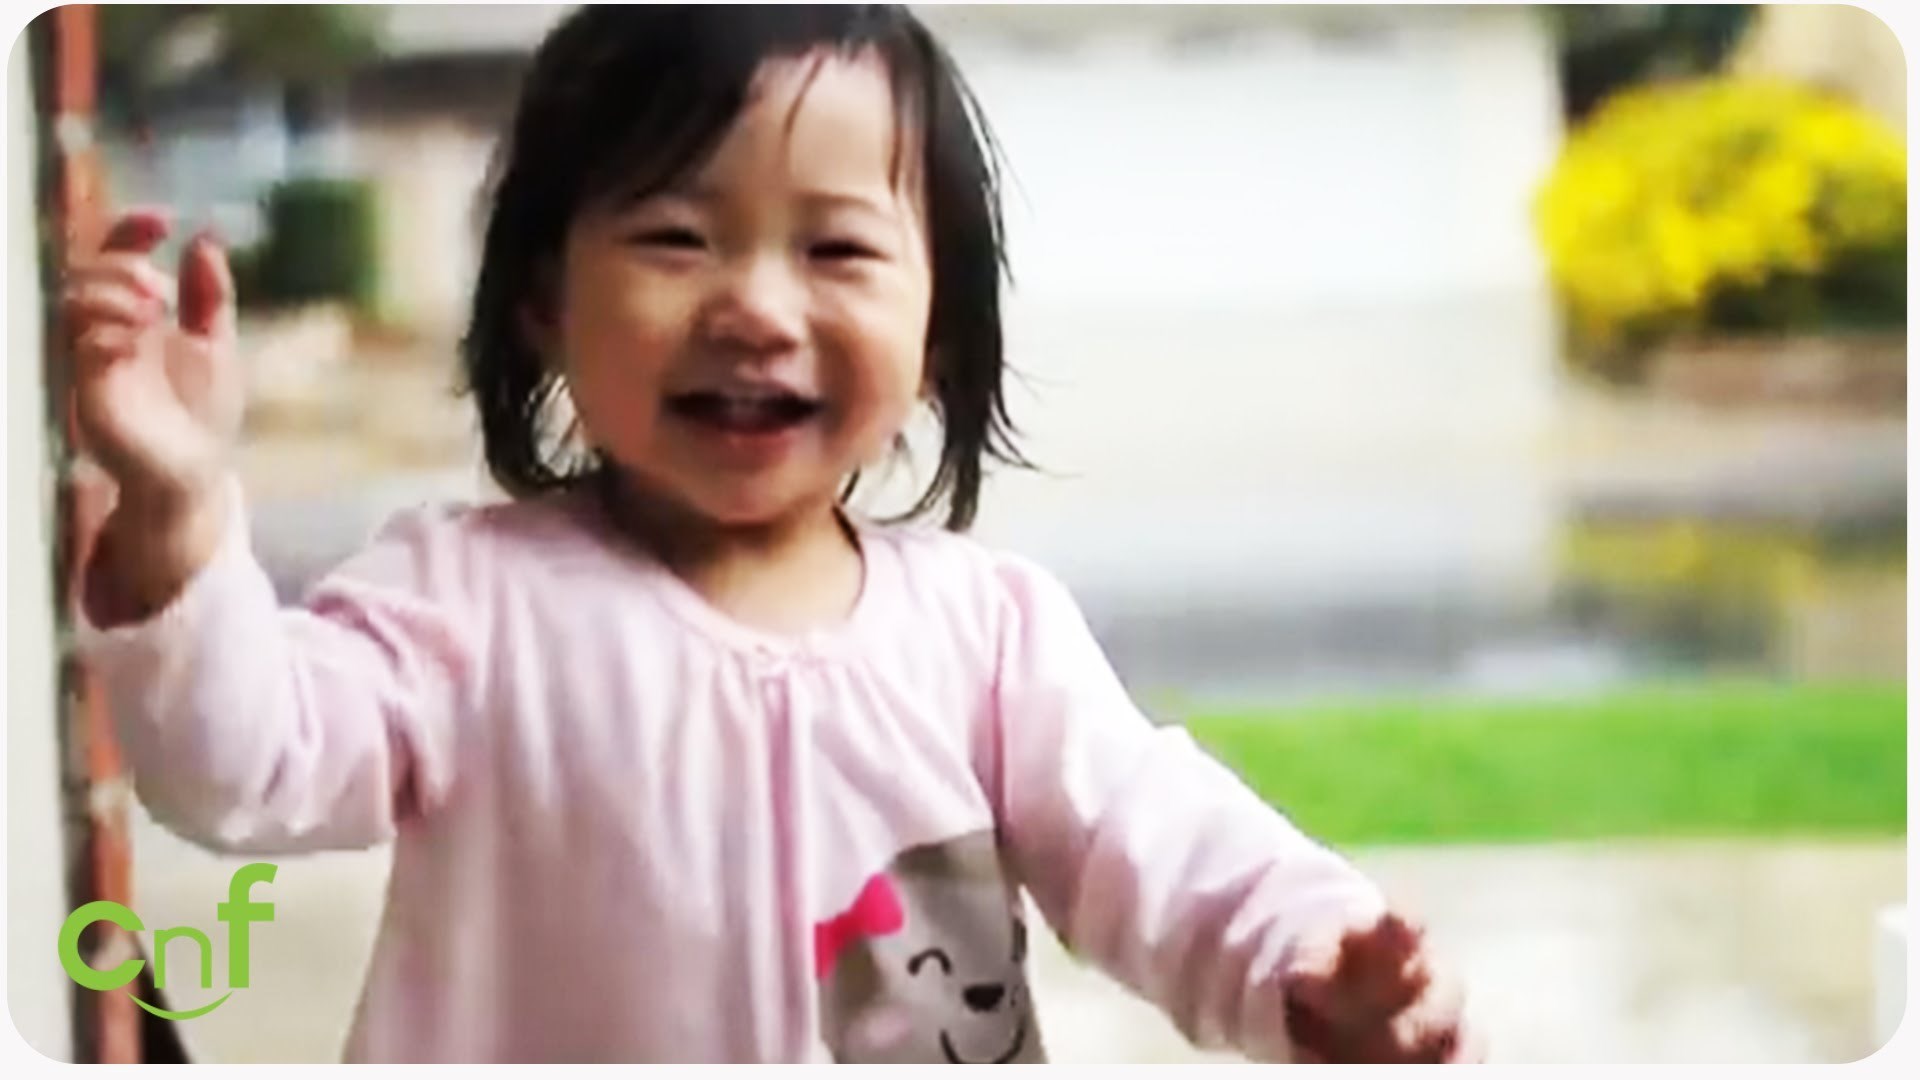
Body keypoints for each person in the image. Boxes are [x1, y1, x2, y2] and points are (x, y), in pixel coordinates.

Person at [64, 5, 1477, 1065]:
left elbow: (1160, 843)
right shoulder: (465, 607)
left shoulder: (984, 638)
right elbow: (240, 765)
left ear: (938, 334)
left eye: (837, 248)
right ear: (546, 301)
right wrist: (178, 512)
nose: (754, 305)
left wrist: (1315, 961)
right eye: (676, 239)